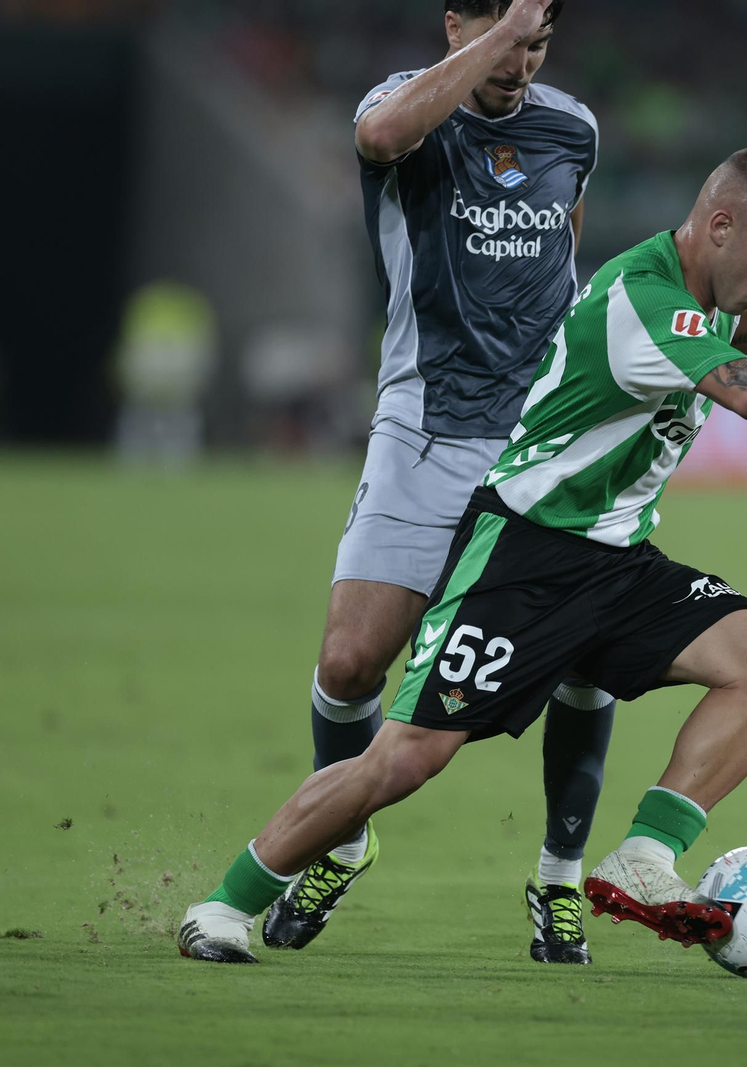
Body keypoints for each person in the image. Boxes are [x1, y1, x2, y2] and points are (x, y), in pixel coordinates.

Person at [176, 144, 747, 964]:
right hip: (523, 557)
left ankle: (645, 855)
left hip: (618, 561)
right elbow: (742, 389)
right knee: (407, 759)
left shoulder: (688, 288)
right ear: (721, 225)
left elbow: (726, 326)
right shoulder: (645, 298)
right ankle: (226, 904)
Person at [274, 0, 617, 965]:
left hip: (543, 438)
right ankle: (341, 839)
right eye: (507, 40)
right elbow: (383, 135)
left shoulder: (573, 128)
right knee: (349, 666)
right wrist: (501, 34)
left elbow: (563, 249)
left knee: (585, 659)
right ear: (455, 23)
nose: (523, 65)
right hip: (424, 427)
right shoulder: (401, 109)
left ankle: (559, 876)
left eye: (540, 45)